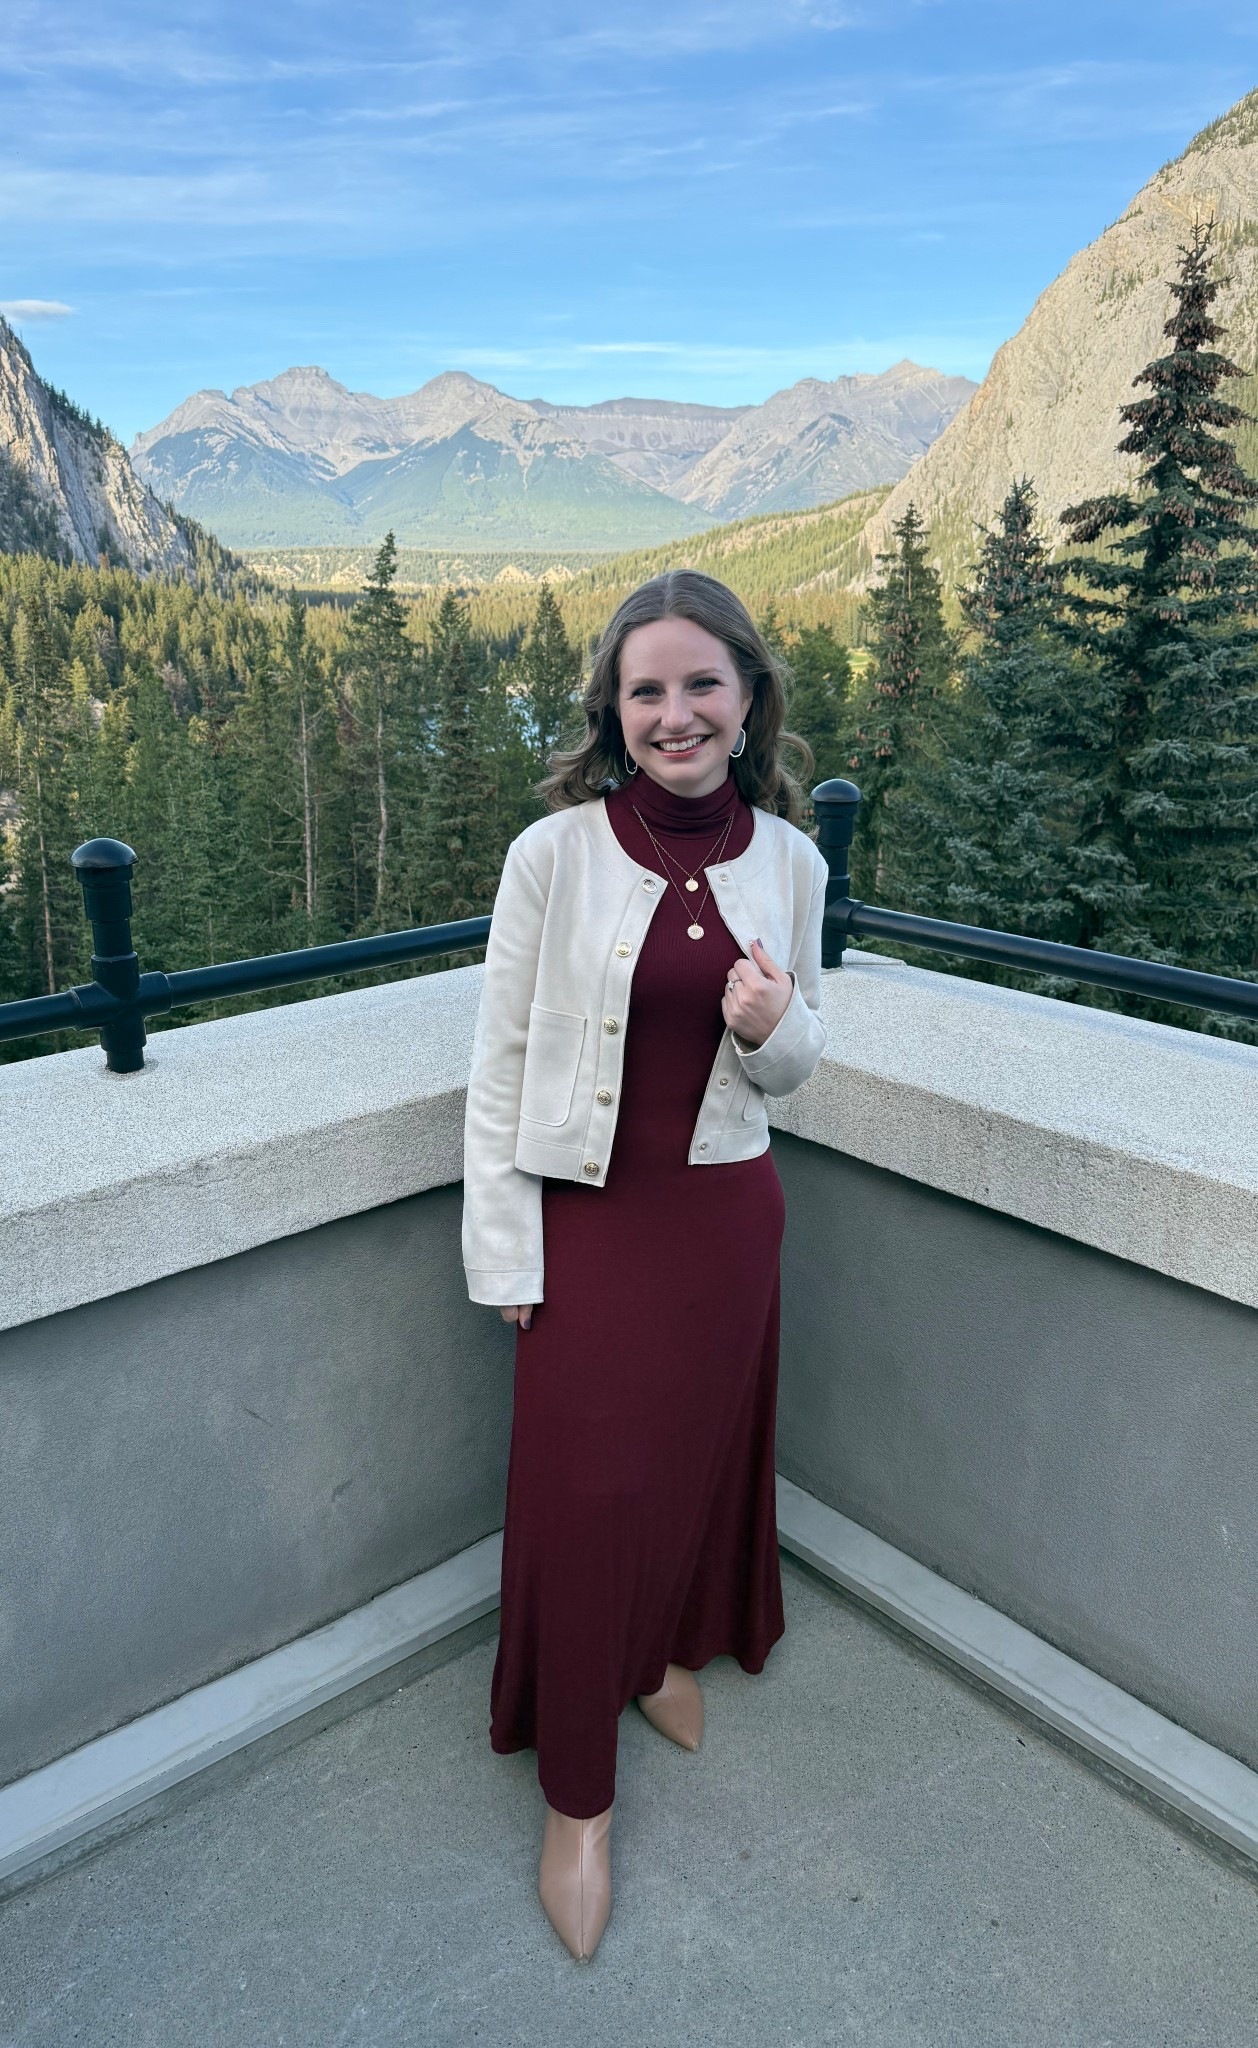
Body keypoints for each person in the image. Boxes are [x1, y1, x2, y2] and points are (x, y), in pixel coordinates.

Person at [461, 568, 829, 1960]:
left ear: (747, 697)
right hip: (589, 1227)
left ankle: (661, 1654)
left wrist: (774, 1025)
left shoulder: (790, 863)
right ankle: (578, 1801)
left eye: (700, 684)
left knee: (689, 1465)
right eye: (646, 689)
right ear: (613, 711)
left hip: (727, 1224)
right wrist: (506, 1254)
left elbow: (795, 1064)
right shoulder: (551, 856)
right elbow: (499, 1071)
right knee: (586, 1494)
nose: (676, 713)